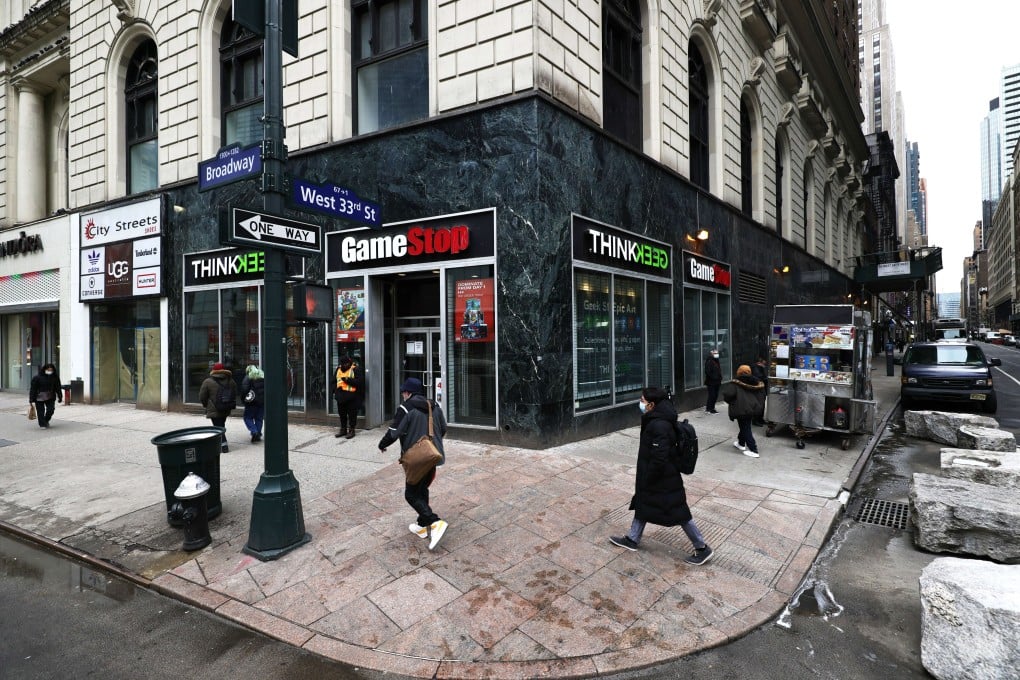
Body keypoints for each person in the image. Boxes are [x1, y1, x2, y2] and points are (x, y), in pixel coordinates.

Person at [609, 386, 713, 566]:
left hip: (663, 478)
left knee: (680, 513)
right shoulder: (659, 418)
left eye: (642, 401)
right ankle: (632, 539)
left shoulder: (659, 424)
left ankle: (702, 547)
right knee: (643, 503)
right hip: (659, 475)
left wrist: (648, 476)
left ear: (651, 404)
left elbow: (659, 456)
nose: (640, 403)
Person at [378, 377, 449, 551]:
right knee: (422, 489)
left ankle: (434, 522)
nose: (403, 394)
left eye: (404, 391)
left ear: (408, 393)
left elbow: (393, 433)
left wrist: (382, 444)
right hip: (432, 454)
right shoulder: (435, 406)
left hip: (416, 459)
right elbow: (444, 428)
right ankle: (421, 525)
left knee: (410, 494)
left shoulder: (405, 408)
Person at [721, 364, 766, 458]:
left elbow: (728, 395)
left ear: (739, 372)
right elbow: (762, 395)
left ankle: (754, 450)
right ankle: (741, 443)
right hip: (752, 408)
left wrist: (732, 402)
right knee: (745, 426)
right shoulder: (756, 382)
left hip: (741, 408)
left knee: (746, 428)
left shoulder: (735, 383)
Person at [199, 362, 237, 453]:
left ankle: (224, 445)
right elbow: (235, 393)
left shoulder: (208, 381)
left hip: (214, 408)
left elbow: (202, 396)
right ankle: (219, 442)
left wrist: (205, 405)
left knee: (218, 426)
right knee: (221, 424)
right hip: (226, 407)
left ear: (214, 370)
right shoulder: (231, 381)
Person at [333, 354, 364, 439]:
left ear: (350, 362)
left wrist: (347, 380)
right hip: (340, 396)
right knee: (342, 414)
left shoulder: (355, 369)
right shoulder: (338, 369)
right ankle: (343, 430)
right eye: (343, 364)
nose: (345, 365)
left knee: (352, 415)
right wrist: (335, 392)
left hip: (352, 397)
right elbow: (334, 381)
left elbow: (360, 382)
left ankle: (352, 430)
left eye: (347, 363)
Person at [29, 363, 62, 429]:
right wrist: (31, 399)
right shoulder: (37, 378)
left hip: (50, 396)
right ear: (44, 369)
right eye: (48, 370)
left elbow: (58, 387)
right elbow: (33, 389)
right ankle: (42, 424)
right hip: (39, 397)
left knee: (51, 410)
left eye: (51, 370)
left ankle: (46, 420)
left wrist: (60, 396)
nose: (49, 371)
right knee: (40, 411)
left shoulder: (55, 377)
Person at [240, 365, 265, 443]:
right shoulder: (262, 377)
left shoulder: (248, 377)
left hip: (251, 402)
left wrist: (243, 400)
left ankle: (254, 432)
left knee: (247, 417)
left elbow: (244, 390)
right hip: (261, 402)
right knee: (259, 418)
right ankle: (258, 434)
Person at [751, 355, 769, 426]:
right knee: (758, 406)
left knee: (762, 405)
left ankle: (760, 419)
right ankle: (755, 420)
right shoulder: (755, 368)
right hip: (758, 389)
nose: (765, 364)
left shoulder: (760, 367)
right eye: (764, 363)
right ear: (759, 362)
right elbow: (760, 377)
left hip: (762, 389)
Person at [704, 349, 722, 413]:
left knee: (715, 395)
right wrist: (714, 377)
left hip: (717, 381)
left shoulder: (716, 360)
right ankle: (709, 409)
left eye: (717, 353)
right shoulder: (709, 361)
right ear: (712, 354)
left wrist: (719, 378)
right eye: (715, 353)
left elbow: (718, 370)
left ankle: (712, 407)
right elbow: (707, 371)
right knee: (712, 395)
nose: (717, 354)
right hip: (711, 382)